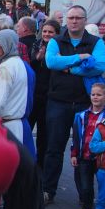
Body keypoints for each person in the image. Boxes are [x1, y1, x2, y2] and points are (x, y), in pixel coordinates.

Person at [42, 5, 105, 204]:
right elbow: (51, 63)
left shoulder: (95, 42)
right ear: (66, 20)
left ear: (85, 20)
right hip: (58, 102)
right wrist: (80, 58)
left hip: (84, 103)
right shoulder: (56, 40)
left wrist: (70, 68)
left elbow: (100, 66)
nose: (74, 21)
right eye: (71, 18)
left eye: (78, 18)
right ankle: (48, 190)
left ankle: (85, 196)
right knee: (53, 148)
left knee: (84, 151)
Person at [0, 30, 35, 156]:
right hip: (21, 126)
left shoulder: (6, 67)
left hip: (9, 129)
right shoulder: (23, 65)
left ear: (8, 44)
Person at [68, 83, 105, 209]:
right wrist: (74, 154)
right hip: (84, 156)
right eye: (93, 94)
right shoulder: (81, 116)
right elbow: (76, 136)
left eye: (99, 95)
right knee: (85, 186)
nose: (95, 97)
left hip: (102, 158)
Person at [29, 19, 60, 167]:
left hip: (50, 94)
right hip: (35, 93)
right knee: (28, 127)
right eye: (45, 31)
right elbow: (31, 64)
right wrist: (38, 57)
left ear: (57, 34)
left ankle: (41, 163)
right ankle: (27, 159)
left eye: (50, 32)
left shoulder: (59, 47)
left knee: (44, 131)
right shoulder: (36, 45)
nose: (47, 34)